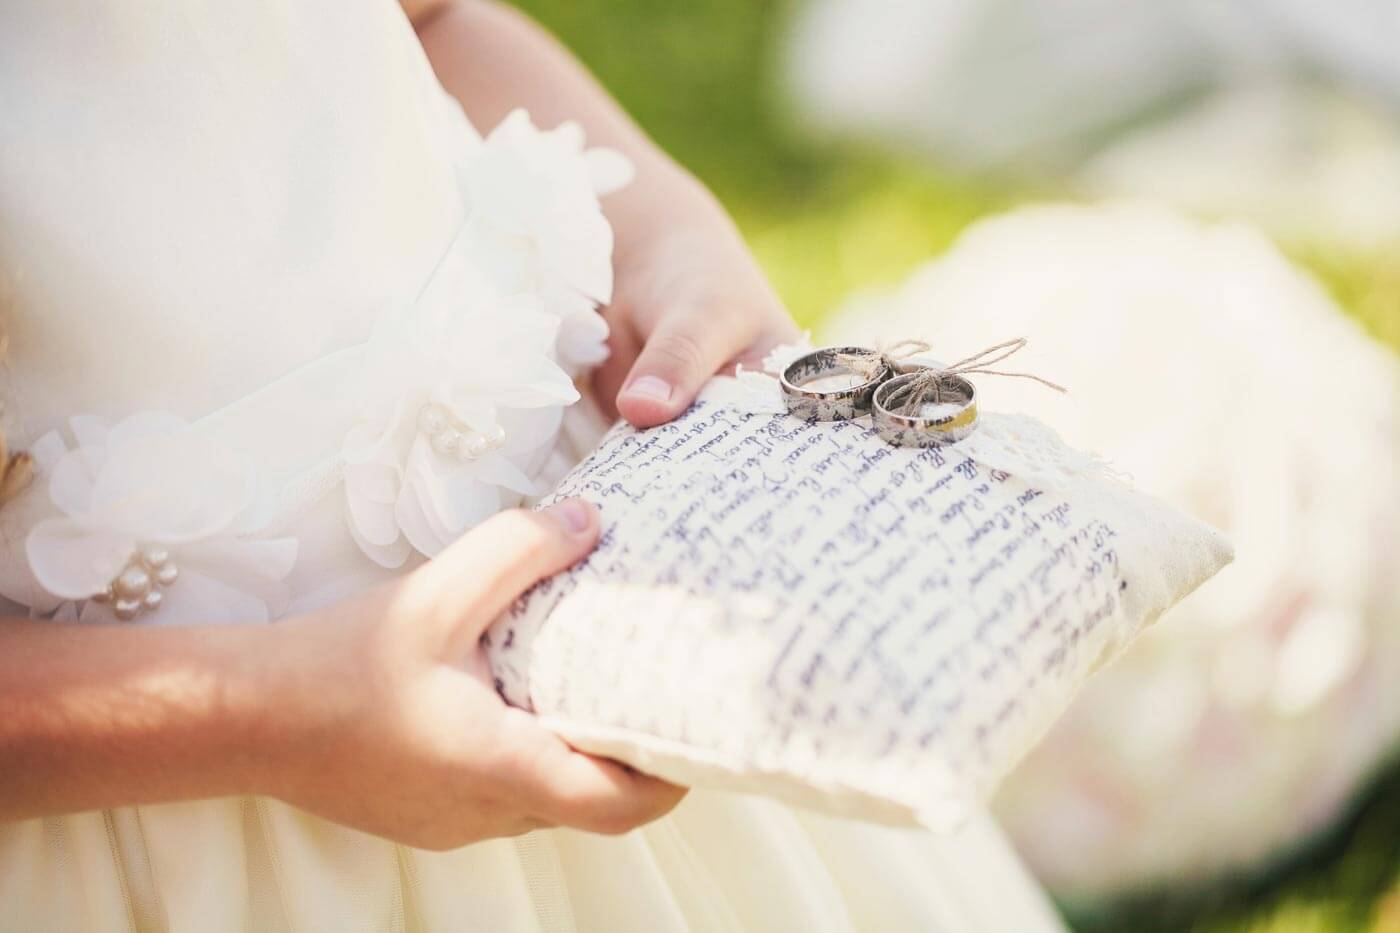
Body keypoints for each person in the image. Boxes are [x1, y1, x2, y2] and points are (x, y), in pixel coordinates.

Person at [0, 2, 1062, 928]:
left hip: (590, 592)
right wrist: (266, 715)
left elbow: (427, 21)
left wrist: (654, 224)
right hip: (160, 813)